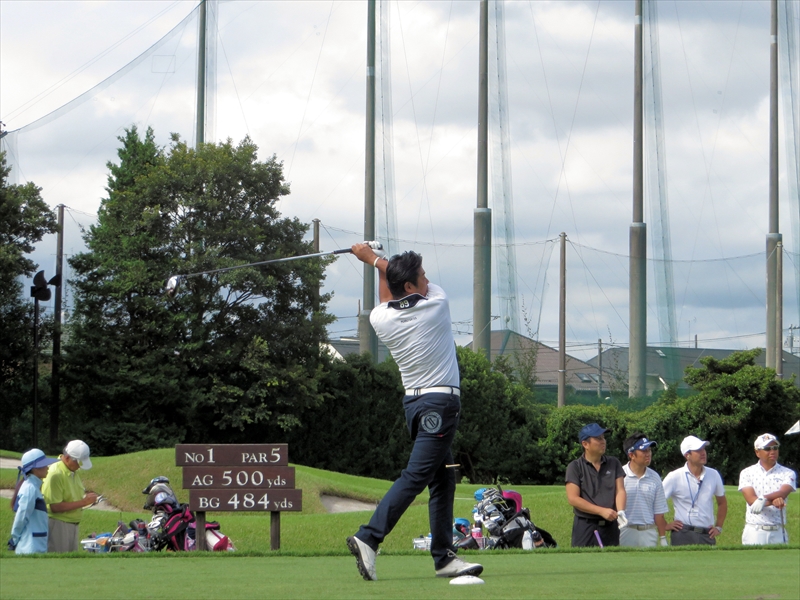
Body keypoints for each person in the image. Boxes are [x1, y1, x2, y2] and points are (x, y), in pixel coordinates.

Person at [346, 244, 482, 581]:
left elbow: (387, 297)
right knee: (416, 476)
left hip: (415, 406)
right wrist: (374, 258)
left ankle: (444, 557)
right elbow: (395, 286)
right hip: (440, 405)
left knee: (443, 480)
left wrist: (373, 260)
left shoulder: (381, 318)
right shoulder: (437, 304)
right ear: (409, 286)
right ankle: (369, 537)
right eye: (421, 276)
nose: (427, 279)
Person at [565, 423, 627, 547]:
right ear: (585, 444)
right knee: (583, 558)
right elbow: (573, 498)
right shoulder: (575, 467)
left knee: (611, 558)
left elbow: (620, 490)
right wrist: (601, 511)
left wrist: (620, 511)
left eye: (603, 438)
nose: (603, 441)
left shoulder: (613, 463)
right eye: (598, 438)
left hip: (610, 525)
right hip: (585, 525)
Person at [662, 435, 727, 546]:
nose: (703, 453)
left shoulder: (713, 474)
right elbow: (657, 501)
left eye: (703, 449)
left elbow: (722, 503)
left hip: (706, 534)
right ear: (687, 455)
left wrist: (718, 527)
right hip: (682, 533)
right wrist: (665, 525)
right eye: (698, 450)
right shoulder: (674, 476)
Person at [738, 433, 797, 545]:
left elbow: (783, 493)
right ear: (757, 452)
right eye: (767, 449)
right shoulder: (747, 473)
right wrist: (773, 501)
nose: (772, 451)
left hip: (778, 530)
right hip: (755, 531)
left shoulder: (788, 473)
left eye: (775, 448)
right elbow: (752, 501)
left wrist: (762, 498)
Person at [41, 440, 98, 552]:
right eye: (79, 463)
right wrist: (84, 502)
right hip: (58, 525)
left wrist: (86, 500)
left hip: (72, 524)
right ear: (67, 458)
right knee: (59, 560)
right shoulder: (55, 474)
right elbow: (55, 506)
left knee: (71, 560)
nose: (79, 466)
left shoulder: (72, 470)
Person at [619, 433, 668, 547]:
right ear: (631, 455)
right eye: (644, 451)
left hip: (648, 532)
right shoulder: (619, 475)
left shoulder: (655, 477)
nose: (648, 454)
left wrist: (662, 537)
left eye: (649, 450)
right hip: (625, 530)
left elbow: (659, 512)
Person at [7, 449, 59, 554]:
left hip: (35, 544)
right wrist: (15, 538)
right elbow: (22, 516)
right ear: (35, 469)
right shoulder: (30, 488)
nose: (47, 467)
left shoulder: (33, 486)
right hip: (30, 546)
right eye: (44, 465)